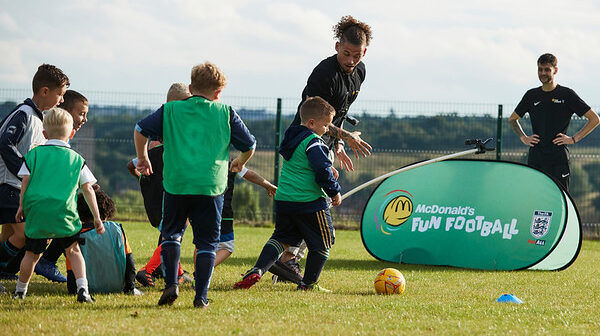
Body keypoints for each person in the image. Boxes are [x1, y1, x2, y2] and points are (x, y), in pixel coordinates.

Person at [134, 62, 256, 308]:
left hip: (177, 183)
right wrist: (239, 163)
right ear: (218, 93)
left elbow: (140, 129)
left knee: (171, 235)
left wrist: (143, 156)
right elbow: (249, 145)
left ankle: (171, 284)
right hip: (210, 186)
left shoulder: (170, 110)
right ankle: (201, 296)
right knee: (207, 243)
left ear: (190, 87)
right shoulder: (226, 112)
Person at [273, 15, 373, 281]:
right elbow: (317, 119)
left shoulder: (360, 73)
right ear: (337, 45)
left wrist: (338, 143)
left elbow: (337, 114)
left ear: (365, 52)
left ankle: (286, 261)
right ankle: (286, 260)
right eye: (346, 53)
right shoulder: (323, 73)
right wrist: (346, 136)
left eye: (356, 55)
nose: (351, 61)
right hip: (303, 144)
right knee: (313, 204)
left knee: (318, 204)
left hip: (325, 143)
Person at [234, 97, 341, 292]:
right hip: (308, 201)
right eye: (325, 125)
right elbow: (321, 170)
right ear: (311, 123)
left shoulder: (291, 136)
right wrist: (334, 190)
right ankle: (308, 284)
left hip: (284, 199)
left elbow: (305, 164)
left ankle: (258, 269)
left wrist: (327, 166)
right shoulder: (314, 141)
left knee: (281, 239)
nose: (327, 129)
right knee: (324, 242)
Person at [13, 107, 104, 302]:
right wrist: (97, 217)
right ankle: (83, 290)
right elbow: (88, 189)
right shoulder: (77, 159)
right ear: (71, 133)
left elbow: (25, 182)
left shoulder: (33, 155)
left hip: (37, 211)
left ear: (44, 134)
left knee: (31, 254)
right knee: (73, 251)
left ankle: (20, 290)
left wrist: (21, 205)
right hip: (64, 214)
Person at [0, 64, 69, 288]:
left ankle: (4, 273)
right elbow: (4, 142)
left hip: (17, 187)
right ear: (44, 91)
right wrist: (24, 171)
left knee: (9, 234)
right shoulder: (23, 114)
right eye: (60, 94)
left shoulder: (39, 119)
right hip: (8, 185)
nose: (61, 100)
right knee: (24, 234)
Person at [128, 83, 193, 288]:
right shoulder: (165, 139)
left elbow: (131, 165)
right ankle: (147, 270)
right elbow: (135, 163)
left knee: (173, 232)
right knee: (174, 231)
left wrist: (143, 180)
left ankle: (177, 273)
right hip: (170, 194)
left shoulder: (157, 132)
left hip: (158, 197)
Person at [508, 53, 599, 191]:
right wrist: (523, 137)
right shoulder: (531, 95)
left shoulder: (567, 94)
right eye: (540, 69)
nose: (542, 73)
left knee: (559, 198)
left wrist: (574, 139)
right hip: (536, 157)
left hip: (559, 158)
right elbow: (513, 119)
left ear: (555, 70)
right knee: (535, 196)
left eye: (547, 69)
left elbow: (595, 119)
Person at [32, 89, 90, 283]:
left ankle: (45, 261)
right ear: (65, 112)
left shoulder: (61, 140)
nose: (85, 119)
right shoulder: (49, 142)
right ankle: (48, 261)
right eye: (81, 113)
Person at [66, 186, 142, 295]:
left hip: (83, 288)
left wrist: (74, 291)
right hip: (117, 286)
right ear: (107, 209)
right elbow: (130, 262)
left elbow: (71, 270)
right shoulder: (118, 229)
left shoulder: (75, 233)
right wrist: (130, 288)